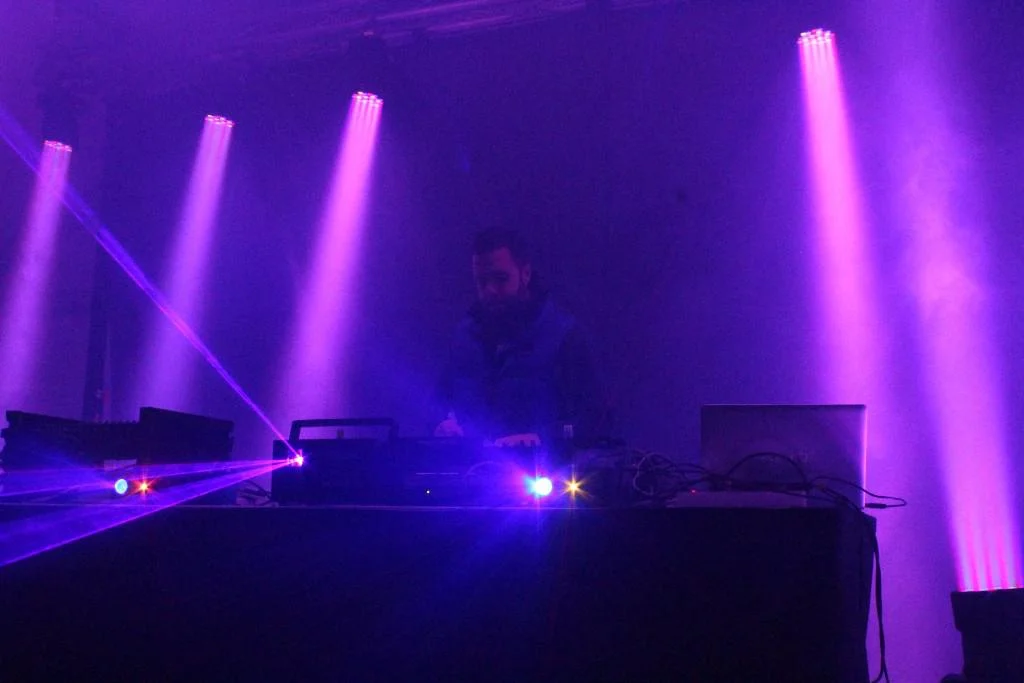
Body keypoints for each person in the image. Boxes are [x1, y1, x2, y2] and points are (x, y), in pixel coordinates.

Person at [435, 228, 608, 446]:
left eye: (500, 279)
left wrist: (540, 439)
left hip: (538, 465)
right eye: (482, 281)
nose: (490, 290)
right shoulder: (464, 337)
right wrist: (442, 424)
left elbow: (593, 420)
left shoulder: (562, 335)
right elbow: (439, 402)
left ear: (525, 274)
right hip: (473, 465)